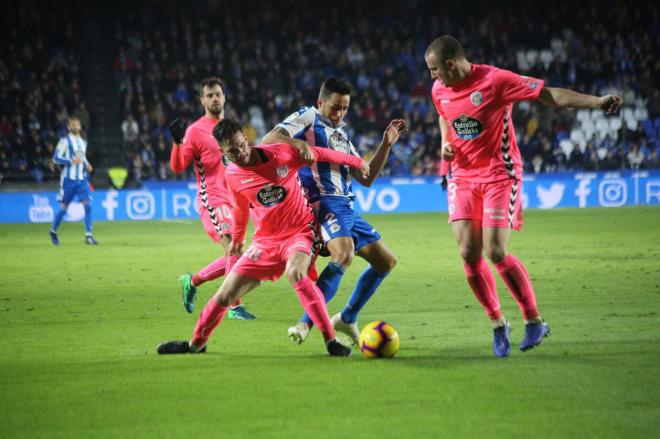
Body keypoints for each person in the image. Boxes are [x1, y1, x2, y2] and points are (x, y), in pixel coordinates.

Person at [425, 35, 622, 357]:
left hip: (499, 173)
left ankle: (533, 319)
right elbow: (444, 116)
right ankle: (498, 324)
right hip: (461, 175)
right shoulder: (439, 89)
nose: (431, 77)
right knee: (468, 253)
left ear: (450, 64)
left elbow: (549, 96)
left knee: (496, 251)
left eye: (434, 70)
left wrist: (596, 102)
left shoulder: (495, 80)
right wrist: (444, 143)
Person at [157, 118, 371, 356]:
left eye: (241, 145)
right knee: (225, 295)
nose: (240, 153)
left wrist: (356, 161)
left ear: (246, 138)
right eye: (232, 150)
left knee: (296, 273)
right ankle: (195, 344)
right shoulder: (233, 175)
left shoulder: (280, 155)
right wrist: (237, 239)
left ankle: (330, 341)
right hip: (265, 241)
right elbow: (239, 208)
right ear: (222, 151)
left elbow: (321, 153)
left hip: (300, 232)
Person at [262, 78, 406, 346]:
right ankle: (306, 322)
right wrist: (299, 145)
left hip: (347, 206)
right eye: (335, 107)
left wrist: (386, 144)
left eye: (344, 109)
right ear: (320, 103)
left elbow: (367, 177)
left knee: (386, 262)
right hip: (323, 202)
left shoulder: (341, 135)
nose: (340, 114)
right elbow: (270, 137)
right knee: (344, 253)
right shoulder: (308, 116)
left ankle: (347, 317)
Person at [168, 77, 256, 320]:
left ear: (224, 97)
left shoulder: (231, 129)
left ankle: (192, 281)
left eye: (218, 94)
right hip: (212, 198)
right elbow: (177, 166)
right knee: (232, 247)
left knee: (237, 252)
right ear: (202, 100)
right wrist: (177, 143)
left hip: (235, 197)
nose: (215, 99)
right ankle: (233, 306)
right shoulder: (195, 131)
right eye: (210, 95)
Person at [49, 116, 98, 245]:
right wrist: (70, 161)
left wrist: (87, 164)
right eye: (73, 125)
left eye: (77, 124)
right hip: (68, 180)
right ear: (69, 127)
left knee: (88, 206)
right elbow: (55, 158)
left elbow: (82, 157)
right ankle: (53, 231)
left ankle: (88, 236)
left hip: (81, 179)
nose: (76, 126)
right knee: (64, 208)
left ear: (80, 127)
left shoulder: (82, 142)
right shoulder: (64, 141)